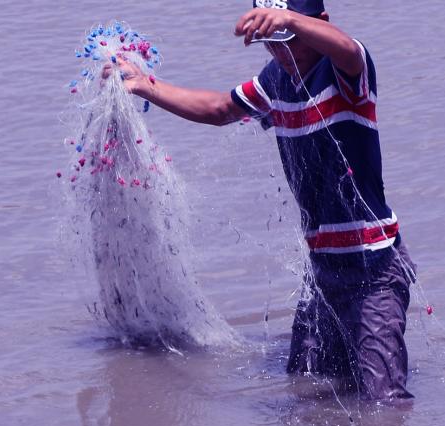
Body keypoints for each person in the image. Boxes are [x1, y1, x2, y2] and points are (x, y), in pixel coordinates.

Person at [114, 0, 416, 400]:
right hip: (323, 273)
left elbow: (347, 48)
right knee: (304, 384)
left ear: (318, 23)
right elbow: (220, 108)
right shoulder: (276, 81)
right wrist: (144, 85)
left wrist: (290, 19)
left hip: (374, 269)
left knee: (384, 401)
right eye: (270, 41)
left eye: (288, 37)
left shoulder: (344, 75)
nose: (280, 50)